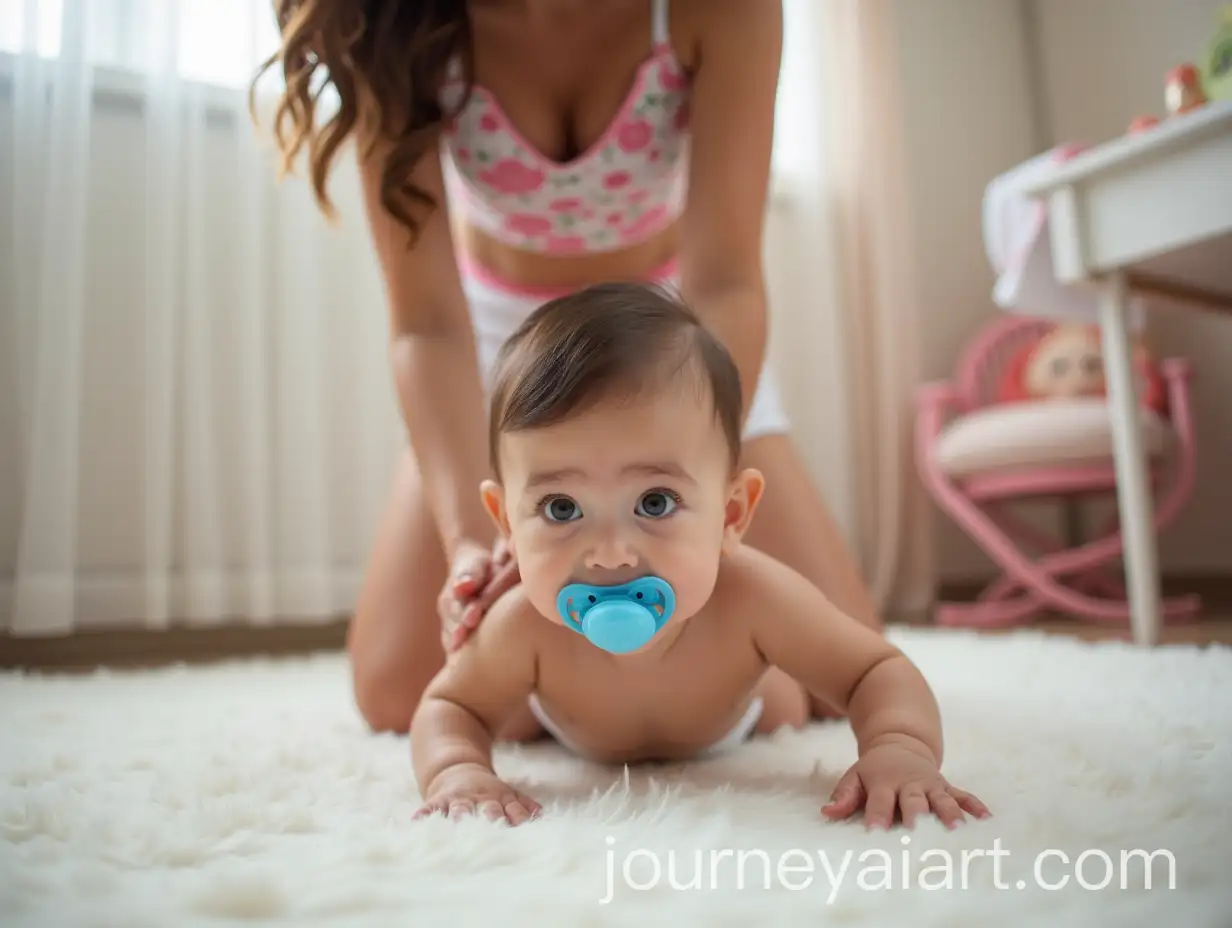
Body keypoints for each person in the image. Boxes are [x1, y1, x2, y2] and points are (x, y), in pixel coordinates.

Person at [253, 0, 883, 736]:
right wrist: (470, 540)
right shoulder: (391, 24)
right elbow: (426, 326)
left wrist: (697, 482)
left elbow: (727, 285)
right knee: (399, 695)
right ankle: (577, 691)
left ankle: (668, 690)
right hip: (500, 349)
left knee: (841, 680)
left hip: (673, 344)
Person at [410, 281, 990, 829]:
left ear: (732, 515)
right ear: (507, 524)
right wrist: (459, 770)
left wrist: (898, 748)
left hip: (742, 718)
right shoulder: (523, 625)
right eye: (562, 509)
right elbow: (448, 707)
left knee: (795, 701)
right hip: (572, 729)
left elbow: (875, 670)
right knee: (498, 706)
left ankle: (774, 687)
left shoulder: (754, 597)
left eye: (655, 502)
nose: (610, 555)